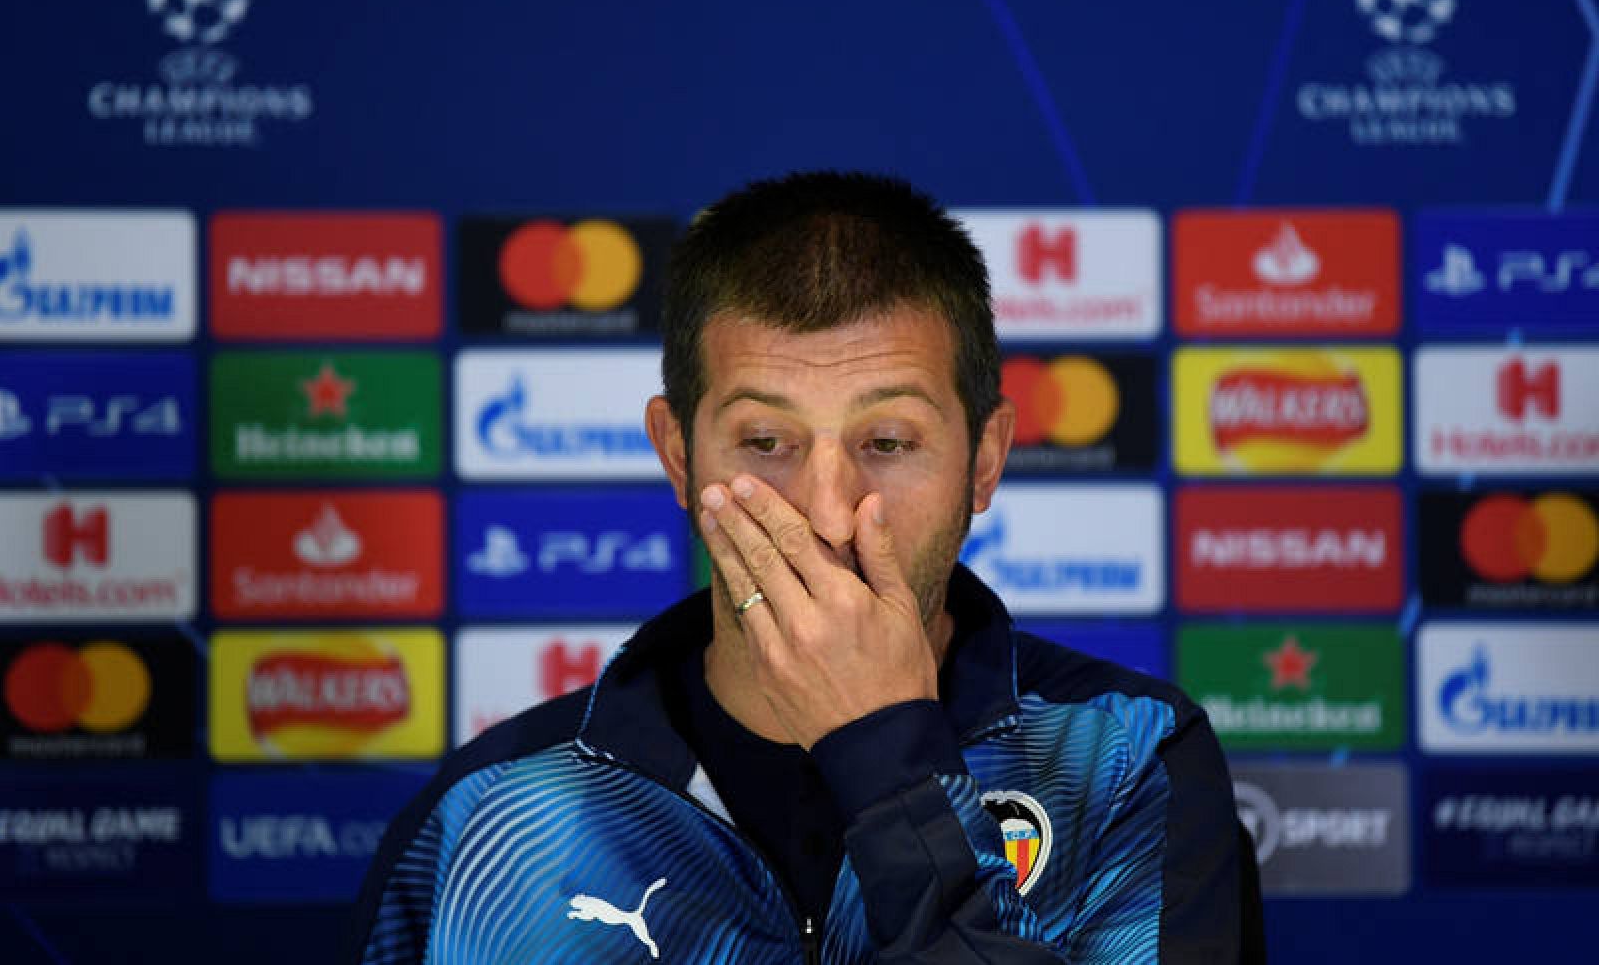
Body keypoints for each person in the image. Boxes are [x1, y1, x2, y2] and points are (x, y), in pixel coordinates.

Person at [351, 171, 1263, 963]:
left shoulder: (1126, 760)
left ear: (984, 460)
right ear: (678, 456)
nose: (828, 513)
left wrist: (890, 761)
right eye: (766, 441)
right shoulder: (495, 814)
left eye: (891, 441)